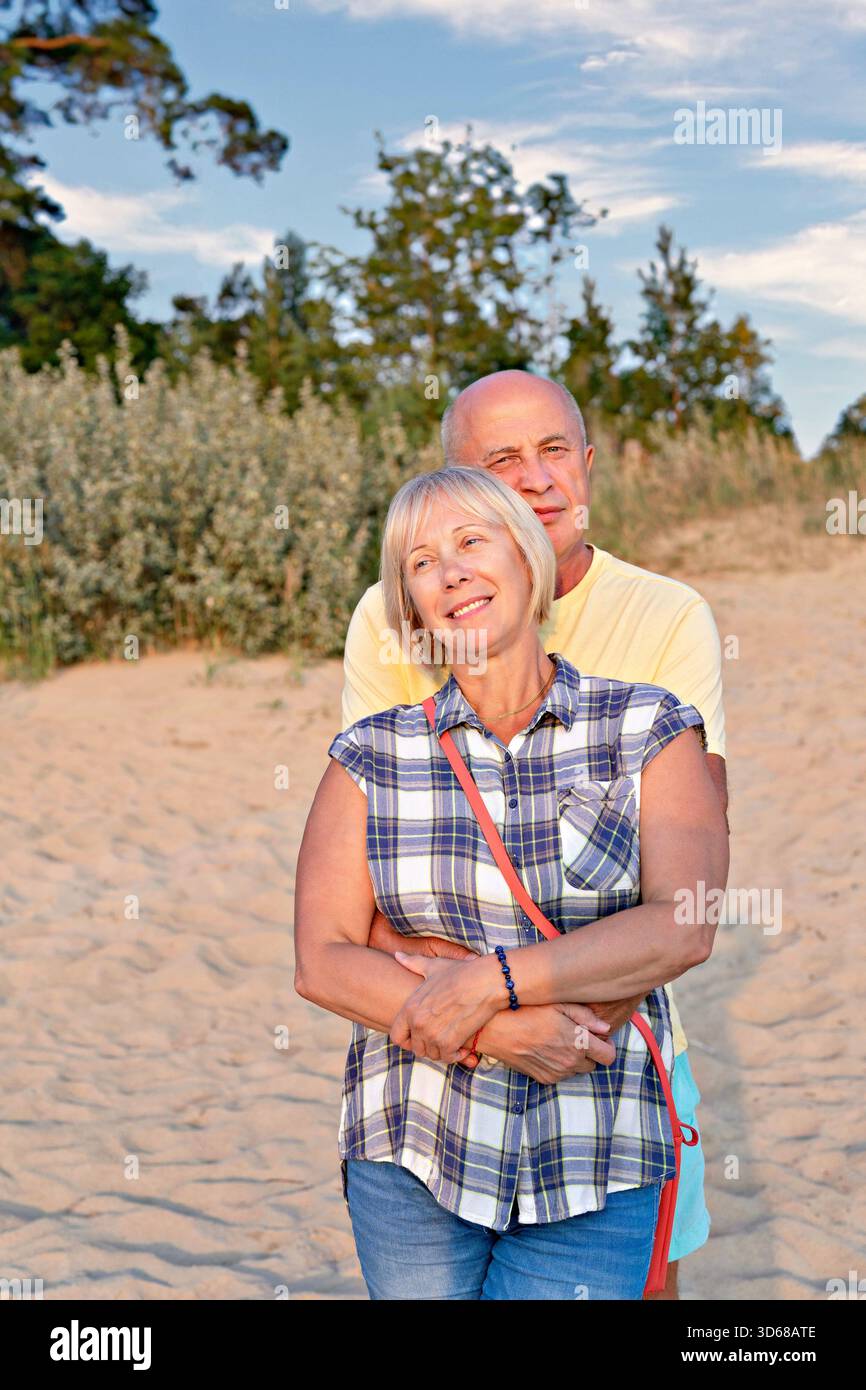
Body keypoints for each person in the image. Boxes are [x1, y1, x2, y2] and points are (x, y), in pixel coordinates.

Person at [295, 465, 729, 1300]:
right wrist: (491, 1033)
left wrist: (488, 982)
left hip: (597, 1148)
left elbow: (686, 923)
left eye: (471, 542)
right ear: (411, 607)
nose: (451, 572)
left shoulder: (649, 726)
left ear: (528, 559)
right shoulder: (368, 757)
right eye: (421, 562)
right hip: (413, 1143)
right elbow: (323, 959)